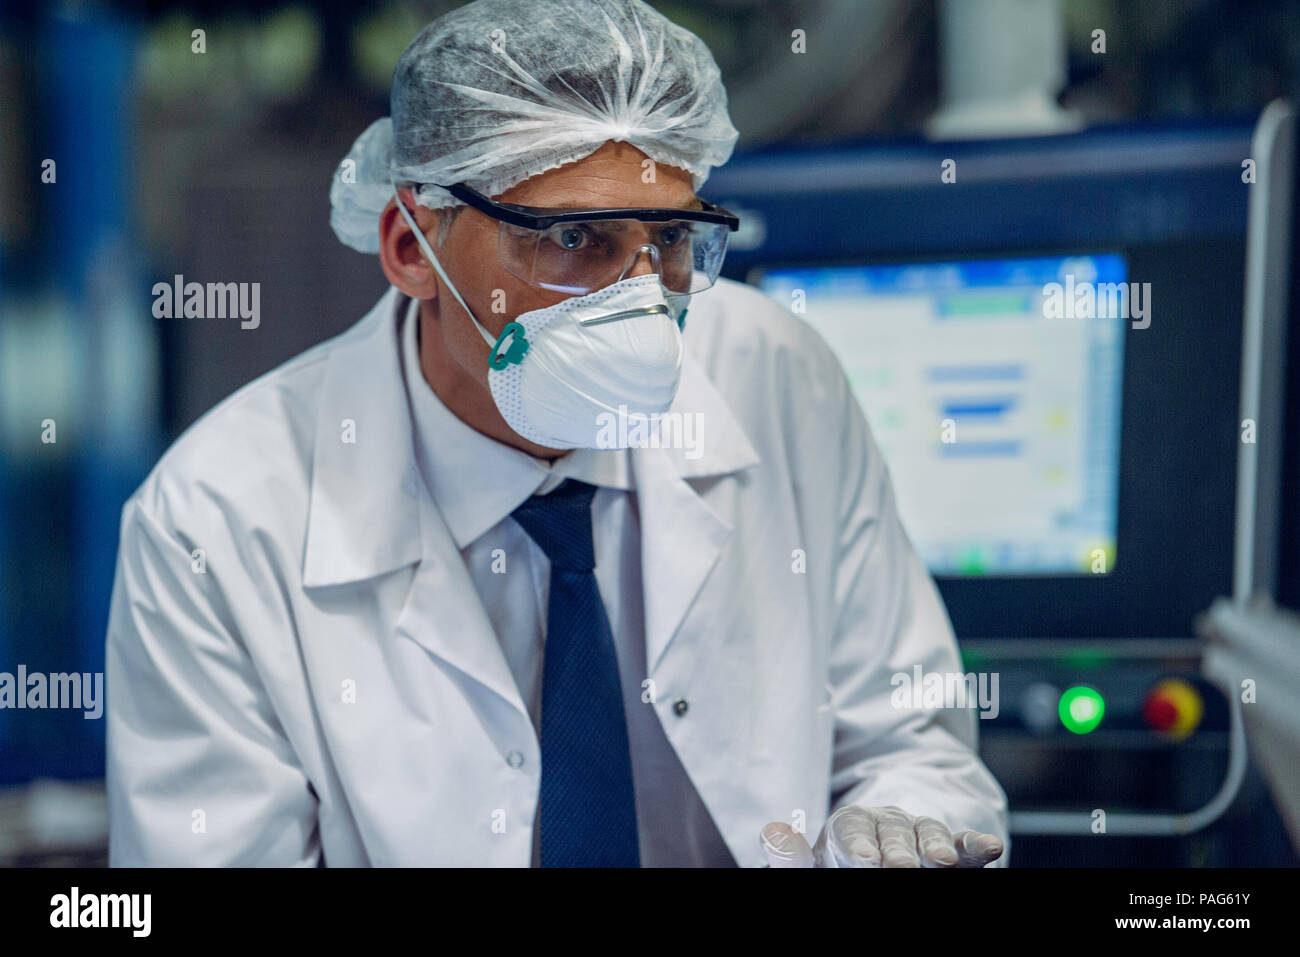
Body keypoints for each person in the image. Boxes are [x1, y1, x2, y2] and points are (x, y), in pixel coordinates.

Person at [106, 0, 1009, 868]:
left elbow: (912, 741)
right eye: (575, 239)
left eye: (671, 240)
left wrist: (899, 833)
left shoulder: (777, 376)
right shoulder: (217, 522)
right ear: (412, 244)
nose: (641, 300)